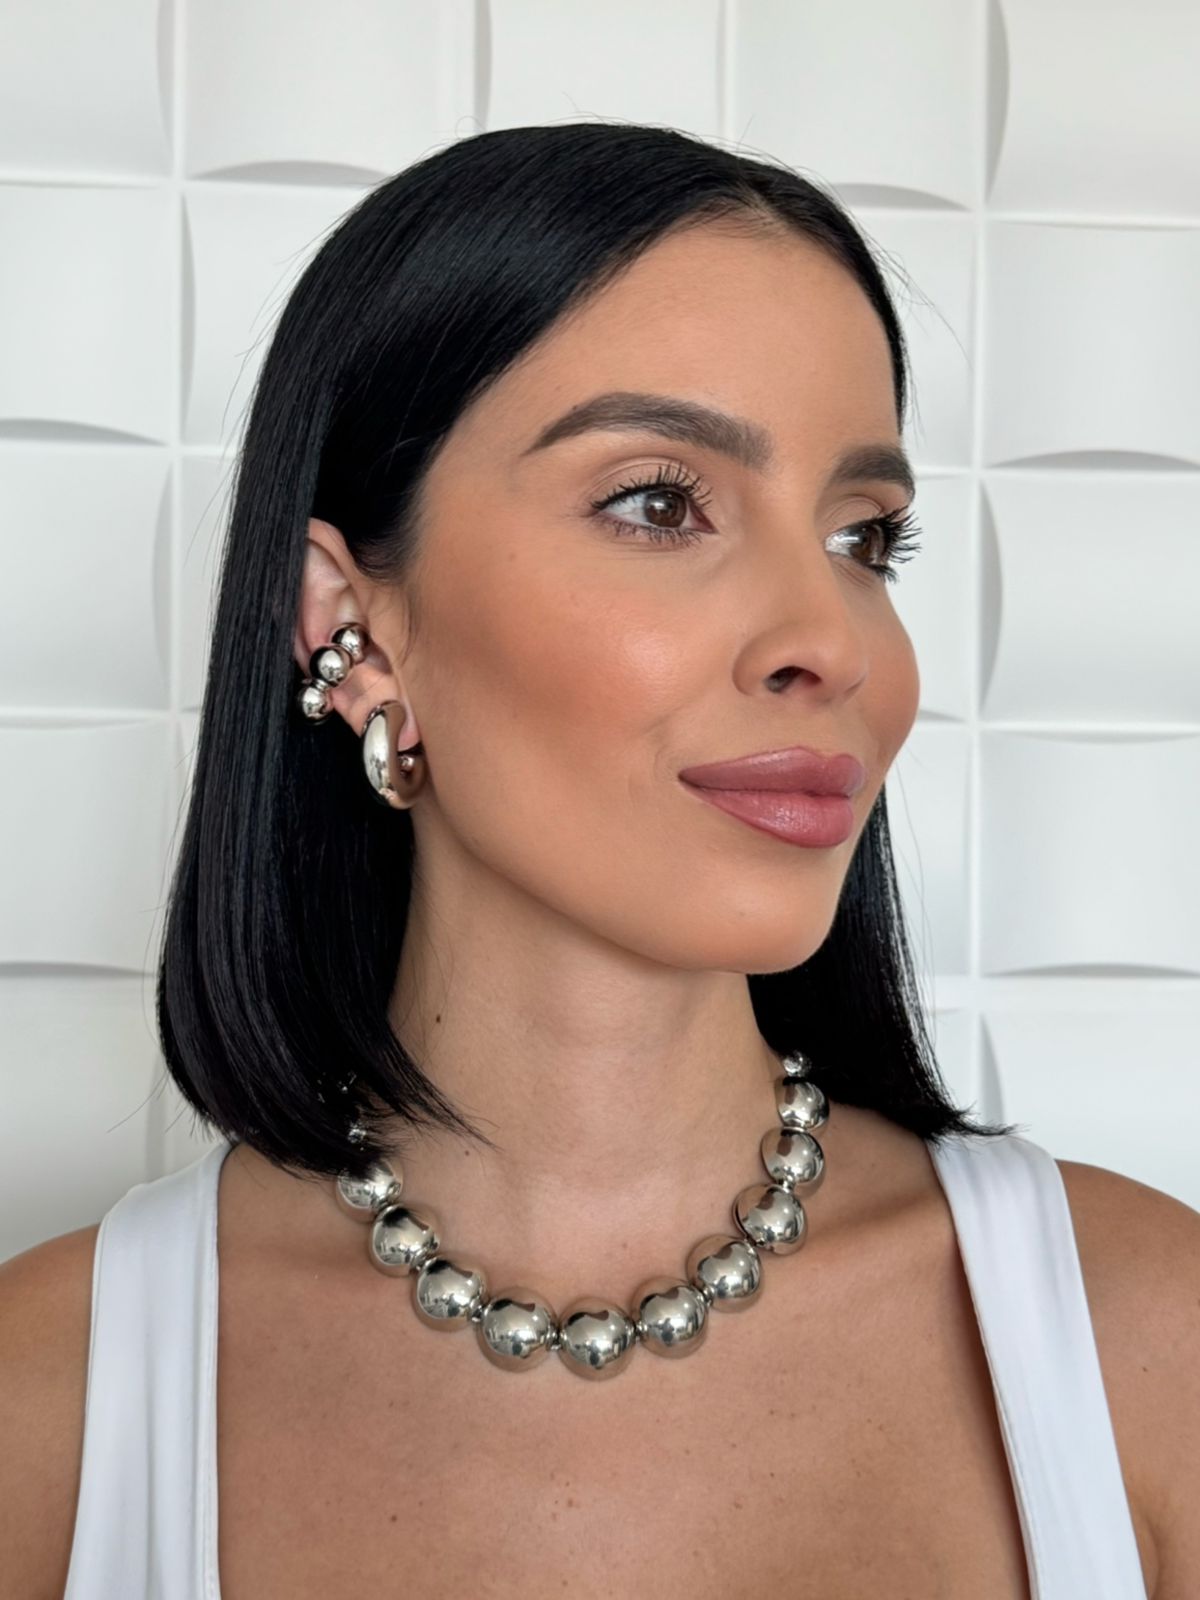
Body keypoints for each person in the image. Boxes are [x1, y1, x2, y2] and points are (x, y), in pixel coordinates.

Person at [1, 121, 1195, 1598]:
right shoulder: (47, 1408)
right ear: (351, 625)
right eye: (659, 503)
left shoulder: (1150, 1349)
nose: (832, 642)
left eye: (863, 538)